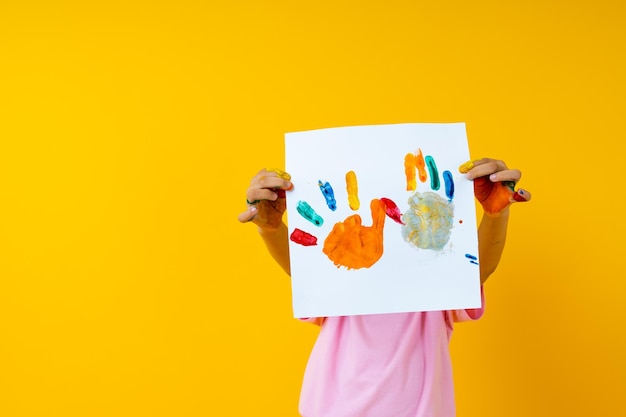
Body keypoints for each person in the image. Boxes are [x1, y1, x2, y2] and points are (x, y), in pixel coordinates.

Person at [237, 158, 531, 417]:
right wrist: (270, 229)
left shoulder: (432, 273)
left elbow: (473, 276)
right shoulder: (347, 263)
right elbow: (309, 277)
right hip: (331, 408)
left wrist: (496, 216)